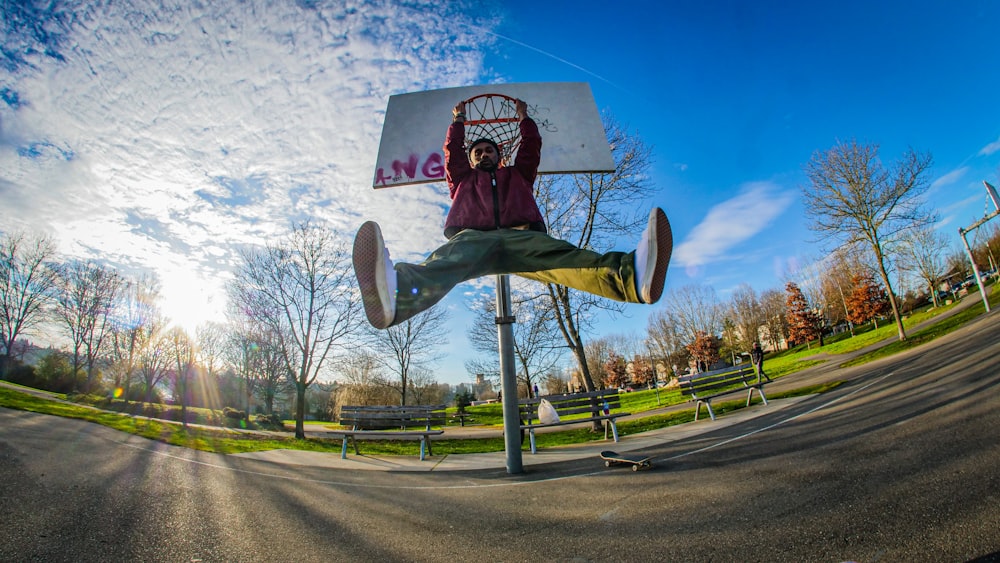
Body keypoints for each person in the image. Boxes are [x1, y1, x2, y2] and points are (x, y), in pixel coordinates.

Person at [353, 97, 672, 329]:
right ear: (472, 158)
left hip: (521, 235)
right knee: (448, 259)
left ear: (500, 153)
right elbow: (452, 154)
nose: (483, 154)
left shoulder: (518, 174)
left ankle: (630, 278)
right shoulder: (463, 178)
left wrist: (524, 118)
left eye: (489, 150)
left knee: (563, 257)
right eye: (477, 152)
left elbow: (532, 147)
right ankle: (396, 294)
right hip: (474, 237)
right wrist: (458, 122)